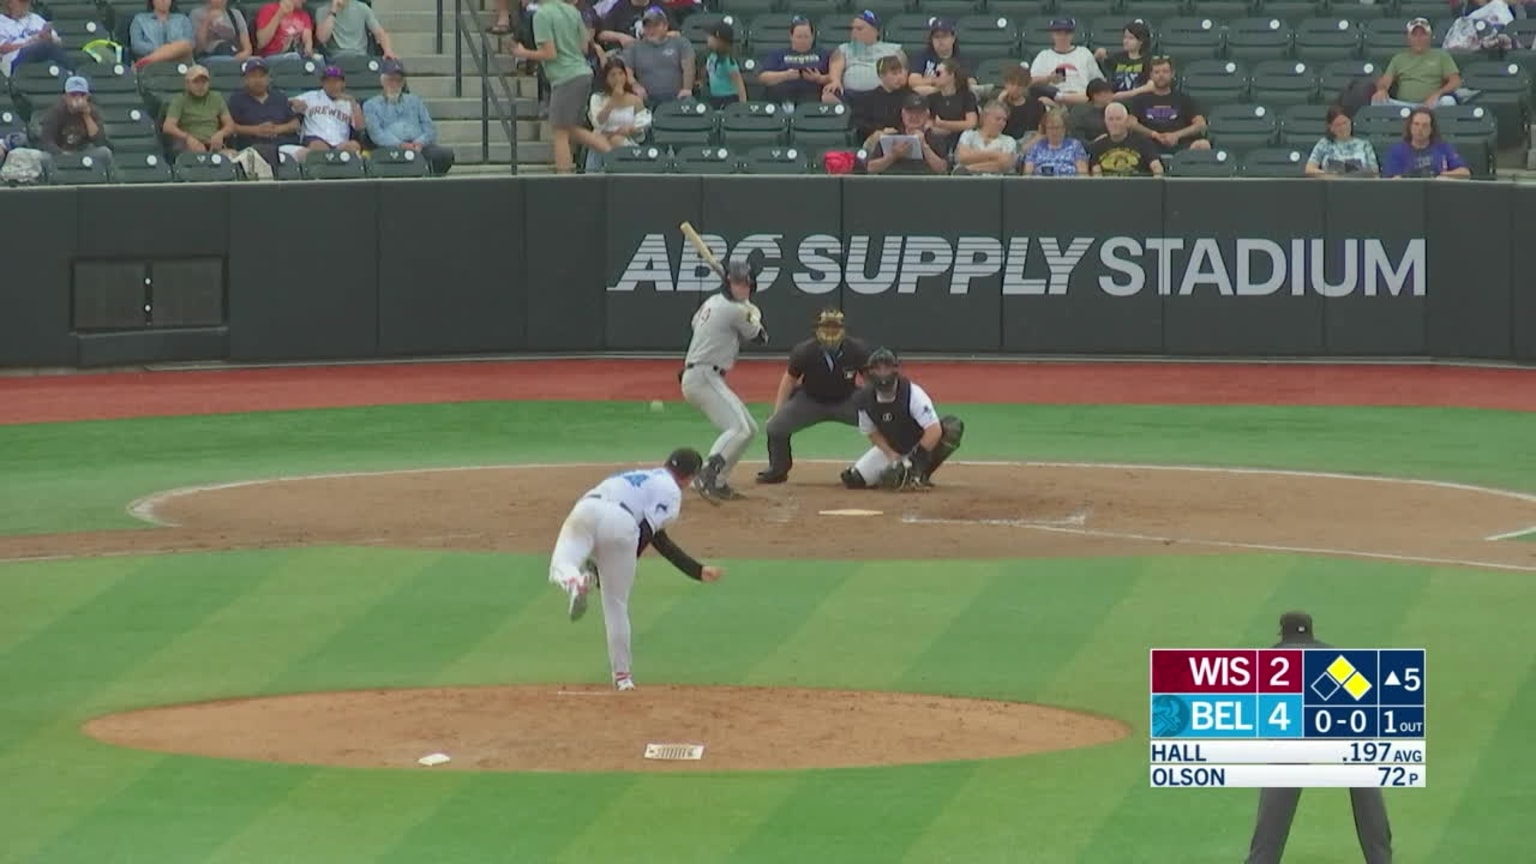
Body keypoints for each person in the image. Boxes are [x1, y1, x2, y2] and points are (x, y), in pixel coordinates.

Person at [548, 447, 723, 692]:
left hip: (586, 509)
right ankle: (623, 678)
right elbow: (648, 532)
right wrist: (621, 562)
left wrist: (695, 570)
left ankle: (574, 581)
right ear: (689, 477)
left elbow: (657, 538)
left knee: (561, 563)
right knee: (615, 605)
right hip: (621, 522)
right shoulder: (672, 491)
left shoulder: (639, 476)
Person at [1245, 611, 1394, 864]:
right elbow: (1363, 693)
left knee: (1276, 805)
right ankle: (1380, 859)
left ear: (1283, 633)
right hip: (1345, 728)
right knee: (1367, 794)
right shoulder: (1333, 655)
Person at [680, 260, 768, 503]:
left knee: (749, 429)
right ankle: (706, 474)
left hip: (703, 375)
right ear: (728, 282)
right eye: (738, 283)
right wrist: (753, 313)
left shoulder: (712, 302)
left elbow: (695, 322)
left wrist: (748, 310)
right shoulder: (736, 310)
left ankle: (718, 482)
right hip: (703, 375)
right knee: (738, 428)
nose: (742, 288)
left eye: (746, 284)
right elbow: (760, 337)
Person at [757, 309, 871, 485]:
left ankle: (883, 468)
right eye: (826, 327)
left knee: (883, 423)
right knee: (776, 427)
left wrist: (878, 408)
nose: (830, 331)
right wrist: (778, 411)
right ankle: (778, 469)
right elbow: (789, 380)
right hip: (811, 400)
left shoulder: (856, 349)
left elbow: (870, 380)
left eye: (835, 327)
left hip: (847, 399)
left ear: (843, 329)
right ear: (817, 328)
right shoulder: (805, 351)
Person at [840, 348, 965, 491]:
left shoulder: (913, 393)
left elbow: (934, 430)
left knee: (952, 427)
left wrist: (912, 462)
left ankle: (920, 475)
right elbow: (872, 432)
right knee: (854, 480)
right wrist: (892, 456)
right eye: (878, 369)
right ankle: (897, 476)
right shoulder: (863, 399)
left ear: (895, 370)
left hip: (919, 445)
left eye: (886, 368)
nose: (882, 373)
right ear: (870, 372)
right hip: (894, 447)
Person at [512, 0, 611, 173]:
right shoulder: (572, 11)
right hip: (582, 72)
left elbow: (549, 53)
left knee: (560, 132)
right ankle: (615, 154)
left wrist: (523, 52)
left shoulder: (542, 15)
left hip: (565, 77)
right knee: (570, 129)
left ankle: (563, 177)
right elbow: (584, 46)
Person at [363, 59, 454, 174]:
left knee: (445, 155)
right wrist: (400, 145)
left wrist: (419, 143)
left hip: (418, 146)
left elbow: (430, 128)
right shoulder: (371, 105)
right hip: (389, 147)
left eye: (399, 81)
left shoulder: (415, 101)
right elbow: (376, 134)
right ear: (383, 81)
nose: (395, 84)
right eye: (391, 80)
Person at [822, 10, 904, 114]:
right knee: (828, 95)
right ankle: (852, 116)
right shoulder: (844, 49)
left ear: (875, 31)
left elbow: (902, 74)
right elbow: (835, 66)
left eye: (859, 29)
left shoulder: (893, 49)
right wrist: (835, 81)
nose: (854, 32)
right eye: (853, 29)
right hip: (852, 96)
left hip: (883, 95)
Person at [226, 56, 301, 169]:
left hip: (281, 145)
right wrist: (256, 130)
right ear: (245, 79)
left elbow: (295, 124)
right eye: (253, 76)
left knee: (305, 154)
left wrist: (277, 129)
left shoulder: (279, 97)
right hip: (250, 147)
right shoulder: (237, 99)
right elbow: (230, 126)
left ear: (268, 78)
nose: (258, 80)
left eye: (262, 76)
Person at [1126, 56, 1210, 156]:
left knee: (1203, 145)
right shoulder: (1140, 99)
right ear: (1151, 76)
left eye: (1165, 71)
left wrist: (1176, 135)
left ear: (1172, 74)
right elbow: (1130, 123)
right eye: (1157, 72)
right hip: (1148, 146)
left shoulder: (1184, 99)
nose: (1161, 75)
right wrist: (1154, 135)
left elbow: (1200, 124)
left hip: (1180, 146)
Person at [617, 6, 693, 109]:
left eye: (656, 25)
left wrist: (687, 89)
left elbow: (688, 67)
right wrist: (635, 85)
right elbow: (627, 72)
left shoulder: (680, 43)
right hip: (647, 100)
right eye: (647, 26)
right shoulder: (634, 47)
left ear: (666, 26)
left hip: (677, 98)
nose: (651, 30)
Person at [1373, 18, 1460, 108]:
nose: (1419, 38)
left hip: (1431, 105)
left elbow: (1455, 81)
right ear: (1408, 38)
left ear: (1430, 37)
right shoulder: (1398, 58)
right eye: (1414, 35)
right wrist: (1382, 90)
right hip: (1402, 106)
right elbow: (1385, 81)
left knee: (1448, 101)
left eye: (1423, 34)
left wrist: (1437, 94)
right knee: (1377, 100)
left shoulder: (1442, 56)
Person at [585, 55, 649, 172]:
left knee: (617, 140)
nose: (618, 78)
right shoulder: (597, 98)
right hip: (601, 142)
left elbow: (644, 122)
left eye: (620, 73)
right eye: (613, 75)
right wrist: (613, 100)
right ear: (606, 78)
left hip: (627, 141)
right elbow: (598, 123)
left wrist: (631, 128)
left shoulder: (635, 100)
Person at [863, 90, 950, 175]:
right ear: (903, 114)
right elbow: (871, 168)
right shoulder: (888, 138)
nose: (914, 117)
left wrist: (924, 146)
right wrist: (893, 155)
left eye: (919, 113)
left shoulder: (936, 139)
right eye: (910, 113)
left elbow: (942, 170)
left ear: (927, 115)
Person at [38, 75, 112, 167]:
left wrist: (87, 116)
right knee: (44, 158)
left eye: (82, 95)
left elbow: (99, 141)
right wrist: (61, 153)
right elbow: (47, 141)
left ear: (87, 96)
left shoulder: (93, 111)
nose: (78, 99)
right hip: (60, 152)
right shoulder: (56, 112)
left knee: (104, 153)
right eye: (73, 95)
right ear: (65, 97)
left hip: (83, 152)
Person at [162, 64, 236, 154]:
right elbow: (168, 127)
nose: (200, 86)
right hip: (189, 146)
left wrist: (221, 134)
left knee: (237, 158)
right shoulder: (179, 100)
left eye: (204, 82)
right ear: (187, 84)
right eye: (196, 82)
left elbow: (230, 125)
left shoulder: (216, 97)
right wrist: (187, 138)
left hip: (214, 145)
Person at [1028, 17, 1103, 106]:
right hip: (1055, 99)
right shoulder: (1044, 56)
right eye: (1058, 33)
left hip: (1081, 98)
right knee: (1042, 101)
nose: (1063, 37)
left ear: (1072, 35)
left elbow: (1098, 81)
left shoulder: (1084, 53)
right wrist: (1048, 78)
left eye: (1067, 33)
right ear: (1053, 35)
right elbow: (1029, 82)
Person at [756, 16, 829, 105]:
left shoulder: (823, 54)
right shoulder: (778, 54)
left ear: (813, 37)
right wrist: (785, 75)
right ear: (791, 37)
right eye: (799, 37)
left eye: (806, 37)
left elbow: (834, 78)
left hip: (814, 98)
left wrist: (818, 78)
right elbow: (763, 78)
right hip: (781, 97)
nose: (803, 40)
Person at [291, 64, 363, 154]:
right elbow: (288, 101)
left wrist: (353, 103)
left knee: (354, 146)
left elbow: (360, 127)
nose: (332, 85)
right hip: (315, 139)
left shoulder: (349, 102)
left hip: (340, 143)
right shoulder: (312, 96)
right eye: (328, 81)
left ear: (343, 83)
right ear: (322, 83)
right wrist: (294, 103)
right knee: (319, 147)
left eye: (336, 81)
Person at [1382, 106, 1471, 179]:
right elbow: (1392, 179)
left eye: (1425, 125)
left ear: (1431, 129)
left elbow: (1465, 173)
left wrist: (1443, 176)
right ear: (1410, 127)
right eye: (1416, 124)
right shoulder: (1397, 151)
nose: (1420, 129)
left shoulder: (1444, 148)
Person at [1089, 101, 1162, 175]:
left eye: (1118, 119)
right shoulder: (1097, 146)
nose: (1114, 123)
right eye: (1110, 119)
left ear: (1126, 121)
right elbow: (1097, 175)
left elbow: (1157, 167)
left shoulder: (1143, 142)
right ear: (1105, 121)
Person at [1305, 104, 1378, 177]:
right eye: (1338, 125)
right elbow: (1309, 169)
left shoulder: (1364, 145)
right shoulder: (1324, 143)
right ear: (1331, 128)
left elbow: (1374, 172)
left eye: (1345, 123)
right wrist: (1327, 176)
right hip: (1331, 185)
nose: (1343, 128)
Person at [0, 0, 69, 77]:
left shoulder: (35, 18)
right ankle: (70, 74)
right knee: (43, 46)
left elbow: (58, 42)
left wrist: (50, 38)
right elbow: (3, 48)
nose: (27, 4)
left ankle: (70, 75)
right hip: (14, 59)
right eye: (22, 2)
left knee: (49, 46)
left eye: (28, 1)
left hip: (42, 53)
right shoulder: (1, 22)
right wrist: (29, 44)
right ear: (10, 3)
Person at [954, 99, 1019, 175]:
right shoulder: (968, 135)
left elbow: (1005, 163)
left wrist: (969, 169)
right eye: (998, 119)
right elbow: (963, 157)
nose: (1002, 123)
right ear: (985, 117)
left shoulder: (1009, 141)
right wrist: (995, 154)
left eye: (1004, 120)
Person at [1094, 20, 1154, 100]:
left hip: (1138, 100)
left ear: (1141, 41)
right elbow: (1096, 63)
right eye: (1125, 37)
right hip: (1114, 99)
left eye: (1131, 38)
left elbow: (1151, 86)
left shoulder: (1149, 60)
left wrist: (1127, 94)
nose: (1126, 41)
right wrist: (1098, 55)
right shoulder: (1116, 58)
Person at [316, 0, 396, 59]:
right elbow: (322, 38)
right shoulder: (321, 11)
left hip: (361, 56)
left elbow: (380, 32)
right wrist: (333, 12)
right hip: (336, 57)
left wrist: (388, 50)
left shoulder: (362, 8)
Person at [1022, 105, 1088, 176]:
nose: (1054, 132)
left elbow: (1083, 175)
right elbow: (1027, 175)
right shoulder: (1036, 147)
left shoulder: (1075, 146)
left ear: (1065, 128)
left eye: (1058, 127)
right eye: (1051, 128)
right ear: (1045, 129)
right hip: (1040, 185)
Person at [908, 18, 965, 95]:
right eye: (936, 37)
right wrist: (937, 82)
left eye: (944, 36)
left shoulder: (960, 58)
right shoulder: (922, 56)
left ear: (953, 38)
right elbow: (913, 81)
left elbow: (971, 82)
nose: (940, 40)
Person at [131, 0, 196, 67]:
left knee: (185, 45)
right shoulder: (140, 20)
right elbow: (137, 46)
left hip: (180, 62)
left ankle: (147, 60)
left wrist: (168, 51)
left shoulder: (183, 19)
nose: (163, 1)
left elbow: (190, 44)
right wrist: (165, 50)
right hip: (151, 66)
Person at [926, 57, 977, 139]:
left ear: (951, 75)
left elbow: (971, 123)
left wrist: (943, 124)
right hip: (938, 139)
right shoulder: (931, 98)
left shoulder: (967, 96)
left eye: (938, 73)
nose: (934, 76)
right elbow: (928, 122)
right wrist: (933, 128)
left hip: (962, 138)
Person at [701, 20, 744, 109]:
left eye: (710, 36)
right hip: (714, 97)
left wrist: (742, 106)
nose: (707, 38)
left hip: (728, 99)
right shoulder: (711, 56)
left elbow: (739, 85)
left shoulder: (728, 61)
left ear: (718, 39)